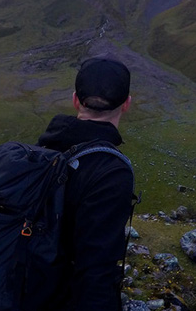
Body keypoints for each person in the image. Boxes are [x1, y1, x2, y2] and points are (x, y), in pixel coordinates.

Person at [35, 56, 135, 311]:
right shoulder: (111, 171)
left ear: (75, 100)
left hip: (20, 288)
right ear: (126, 105)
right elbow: (96, 269)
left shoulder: (44, 147)